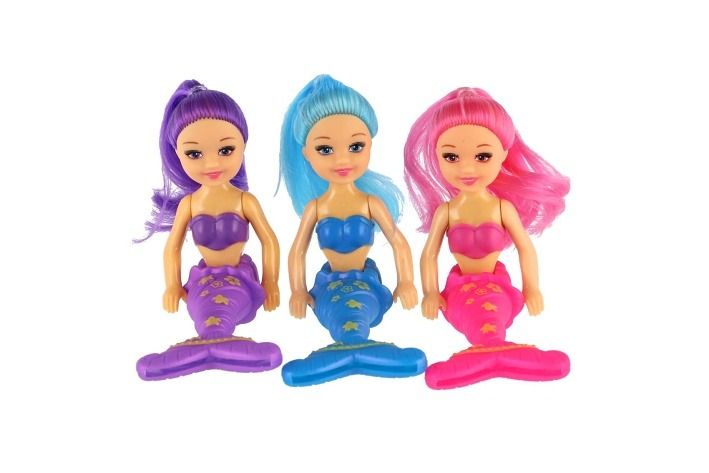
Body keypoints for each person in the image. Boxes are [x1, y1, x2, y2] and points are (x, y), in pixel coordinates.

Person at [404, 87, 570, 389]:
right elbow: (429, 254)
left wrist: (531, 287)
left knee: (492, 316)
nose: (467, 168)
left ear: (503, 154)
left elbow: (526, 249)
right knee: (475, 317)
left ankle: (494, 350)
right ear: (436, 157)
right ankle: (488, 352)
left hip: (498, 287)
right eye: (451, 157)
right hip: (458, 292)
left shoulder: (501, 208)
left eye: (483, 156)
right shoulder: (447, 211)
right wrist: (431, 292)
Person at [278, 75, 426, 386]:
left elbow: (398, 242)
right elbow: (297, 250)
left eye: (356, 146)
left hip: (366, 283)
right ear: (306, 153)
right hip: (329, 286)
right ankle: (349, 348)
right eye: (325, 149)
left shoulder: (370, 203)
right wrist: (298, 290)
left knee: (358, 313)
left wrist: (407, 282)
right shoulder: (316, 207)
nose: (342, 159)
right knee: (341, 316)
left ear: (370, 144)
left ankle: (357, 347)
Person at [136, 80, 282, 381]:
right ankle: (209, 342)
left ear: (243, 146)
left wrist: (271, 282)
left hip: (241, 279)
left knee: (224, 310)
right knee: (207, 313)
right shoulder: (190, 204)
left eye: (226, 150)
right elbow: (173, 247)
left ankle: (216, 342)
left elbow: (269, 241)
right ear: (177, 154)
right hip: (202, 282)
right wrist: (172, 285)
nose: (212, 163)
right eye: (194, 154)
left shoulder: (244, 201)